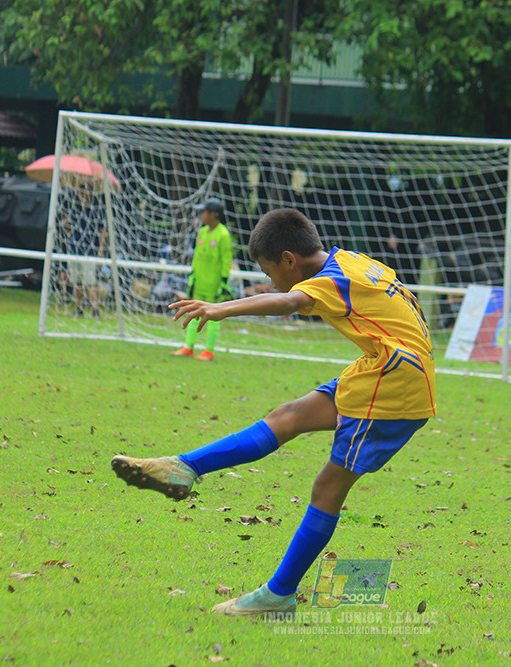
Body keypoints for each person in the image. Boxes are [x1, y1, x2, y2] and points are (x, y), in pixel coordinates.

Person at [112, 208, 436, 618]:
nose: (270, 280)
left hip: (394, 381)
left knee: (327, 489)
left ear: (289, 259)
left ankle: (279, 594)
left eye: (268, 272)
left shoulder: (329, 280)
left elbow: (289, 299)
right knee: (289, 416)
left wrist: (222, 308)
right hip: (386, 366)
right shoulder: (351, 260)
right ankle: (184, 467)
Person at [171, 197, 233, 360]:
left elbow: (227, 260)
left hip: (214, 283)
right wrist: (192, 278)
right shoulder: (202, 232)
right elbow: (196, 258)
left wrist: (224, 282)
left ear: (213, 214)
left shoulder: (223, 234)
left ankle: (209, 350)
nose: (201, 215)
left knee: (214, 315)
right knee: (193, 313)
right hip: (199, 283)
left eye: (204, 212)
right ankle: (188, 347)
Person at [64, 188, 106, 318]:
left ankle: (95, 309)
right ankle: (79, 308)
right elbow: (67, 226)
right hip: (75, 250)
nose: (83, 196)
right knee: (77, 282)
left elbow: (102, 232)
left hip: (89, 251)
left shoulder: (96, 212)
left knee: (90, 282)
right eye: (81, 193)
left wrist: (100, 250)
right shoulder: (74, 210)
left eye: (86, 193)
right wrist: (67, 227)